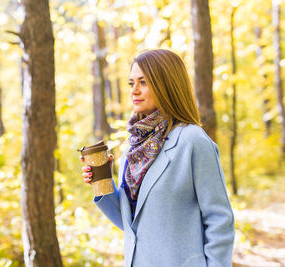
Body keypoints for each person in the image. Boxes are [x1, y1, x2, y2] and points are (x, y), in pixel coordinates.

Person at [81, 49, 235, 267]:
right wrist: (101, 181)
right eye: (131, 83)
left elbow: (220, 220)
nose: (134, 90)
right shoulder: (133, 149)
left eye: (143, 82)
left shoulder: (192, 141)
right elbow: (132, 225)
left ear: (166, 85)